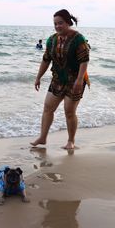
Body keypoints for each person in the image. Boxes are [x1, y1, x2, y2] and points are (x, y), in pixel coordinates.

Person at [31, 9, 90, 150]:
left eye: (60, 23)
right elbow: (46, 60)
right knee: (47, 108)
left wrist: (79, 80)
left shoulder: (78, 39)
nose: (57, 26)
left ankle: (71, 141)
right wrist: (38, 77)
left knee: (69, 112)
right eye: (55, 24)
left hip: (75, 81)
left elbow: (84, 60)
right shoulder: (52, 40)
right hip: (57, 80)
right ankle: (43, 137)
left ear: (68, 22)